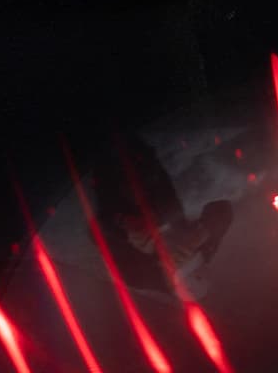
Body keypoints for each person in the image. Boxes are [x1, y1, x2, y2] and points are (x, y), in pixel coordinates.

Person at [91, 128, 233, 300]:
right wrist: (204, 232)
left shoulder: (137, 276)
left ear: (169, 279)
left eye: (176, 263)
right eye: (186, 256)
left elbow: (95, 230)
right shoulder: (204, 249)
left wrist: (124, 224)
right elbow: (224, 210)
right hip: (149, 171)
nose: (177, 254)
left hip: (112, 185)